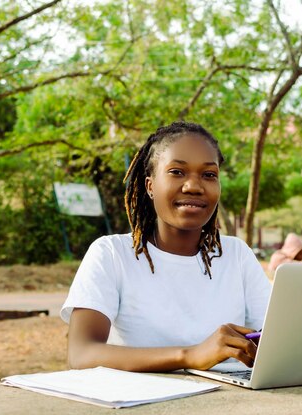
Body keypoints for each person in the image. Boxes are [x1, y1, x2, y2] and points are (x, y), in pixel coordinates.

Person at [60, 121, 272, 372]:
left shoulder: (237, 255)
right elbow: (81, 353)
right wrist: (188, 356)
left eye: (209, 175)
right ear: (150, 186)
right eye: (177, 172)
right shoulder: (111, 254)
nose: (193, 186)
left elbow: (274, 338)